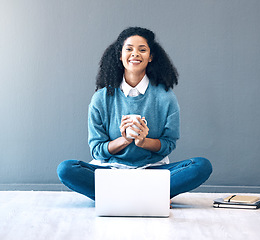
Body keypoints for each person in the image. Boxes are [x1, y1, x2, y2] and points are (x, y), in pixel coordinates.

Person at [57, 27, 212, 201]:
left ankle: (117, 197)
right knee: (66, 169)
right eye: (129, 49)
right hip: (111, 172)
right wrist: (125, 140)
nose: (135, 54)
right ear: (120, 55)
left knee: (201, 166)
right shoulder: (101, 98)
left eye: (142, 49)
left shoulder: (166, 97)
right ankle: (150, 197)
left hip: (152, 171)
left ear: (151, 56)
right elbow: (97, 150)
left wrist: (143, 141)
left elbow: (168, 144)